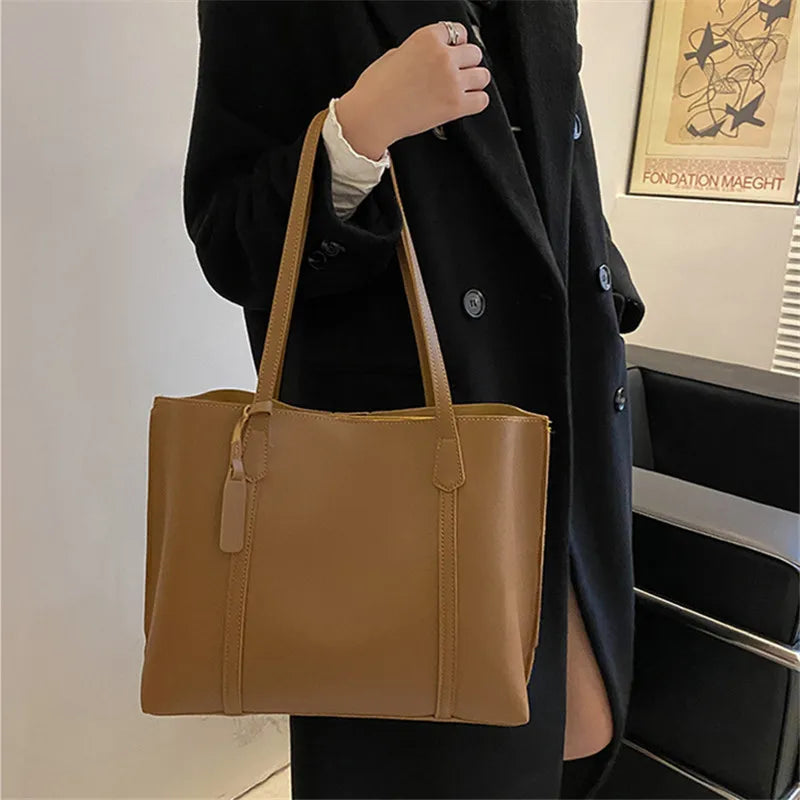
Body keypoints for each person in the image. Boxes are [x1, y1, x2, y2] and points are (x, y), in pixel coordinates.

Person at [182, 1, 646, 798]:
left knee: (579, 737)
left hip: (564, 438)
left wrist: (609, 294)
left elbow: (555, 163)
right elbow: (232, 237)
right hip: (409, 485)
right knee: (437, 770)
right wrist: (356, 132)